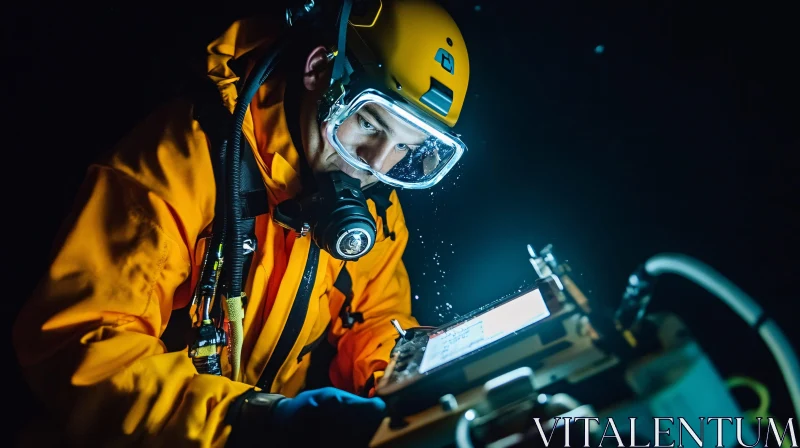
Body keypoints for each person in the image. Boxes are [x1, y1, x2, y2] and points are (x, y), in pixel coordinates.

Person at [12, 0, 470, 446]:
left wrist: (409, 375)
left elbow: (375, 320)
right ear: (319, 72)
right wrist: (254, 420)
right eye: (369, 124)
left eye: (406, 150)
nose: (373, 166)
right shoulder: (181, 163)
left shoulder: (376, 208)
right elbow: (84, 347)